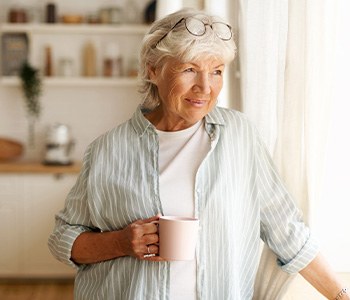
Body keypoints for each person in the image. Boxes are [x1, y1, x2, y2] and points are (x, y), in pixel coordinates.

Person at [48, 8, 349, 300]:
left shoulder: (239, 135)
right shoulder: (107, 149)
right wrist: (121, 242)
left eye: (216, 71)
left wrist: (340, 295)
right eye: (190, 69)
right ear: (153, 70)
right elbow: (63, 239)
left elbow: (287, 231)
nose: (205, 87)